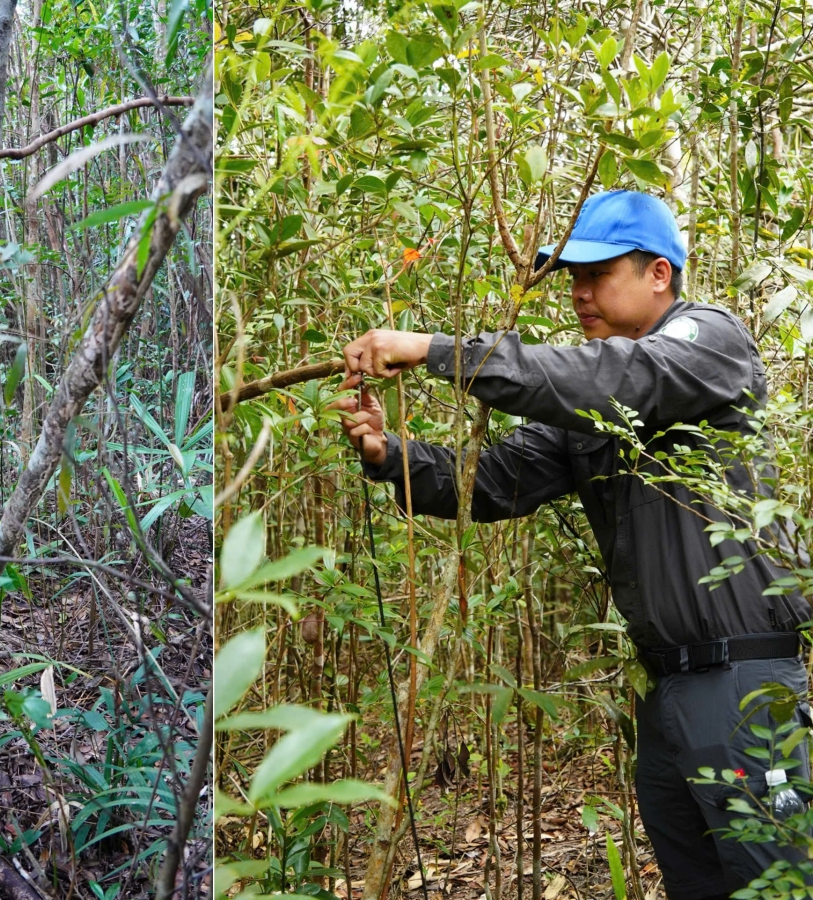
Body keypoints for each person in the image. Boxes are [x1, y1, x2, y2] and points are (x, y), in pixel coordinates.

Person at [332, 190, 812, 899]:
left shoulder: (708, 341)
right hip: (667, 692)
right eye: (572, 279)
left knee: (778, 886)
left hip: (744, 687)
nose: (580, 294)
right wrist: (385, 452)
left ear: (658, 274)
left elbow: (616, 378)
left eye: (598, 274)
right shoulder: (594, 405)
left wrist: (436, 352)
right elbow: (493, 483)